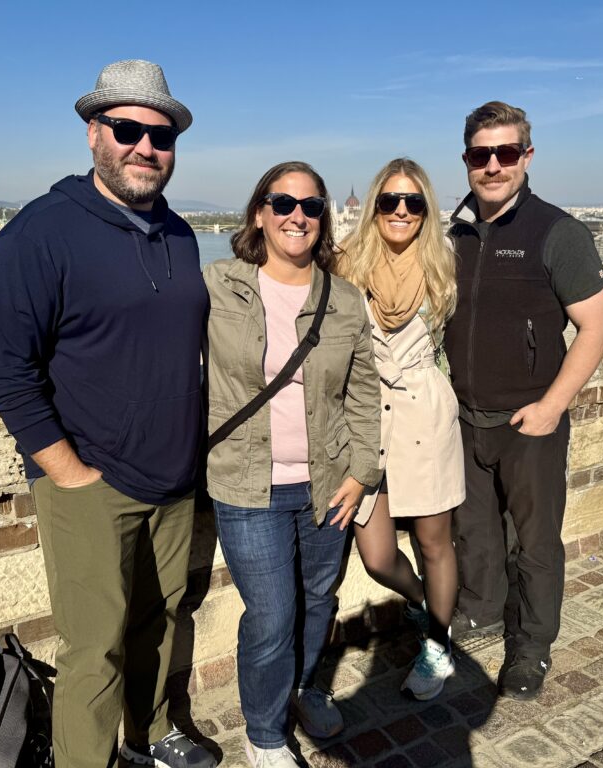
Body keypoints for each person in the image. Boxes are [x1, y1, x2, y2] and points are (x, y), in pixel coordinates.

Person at [0, 60, 217, 768]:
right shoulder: (39, 235)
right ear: (94, 134)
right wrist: (70, 473)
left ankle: (147, 738)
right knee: (93, 648)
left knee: (159, 623)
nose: (146, 146)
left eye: (161, 135)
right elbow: (4, 370)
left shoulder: (175, 232)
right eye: (128, 129)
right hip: (90, 482)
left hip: (173, 479)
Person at [203, 161, 382, 767]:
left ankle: (305, 687)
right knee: (273, 613)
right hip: (246, 484)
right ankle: (264, 733)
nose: (296, 215)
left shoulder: (345, 299)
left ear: (324, 216)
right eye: (282, 203)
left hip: (329, 484)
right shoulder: (218, 286)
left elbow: (362, 394)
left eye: (310, 205)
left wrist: (363, 474)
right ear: (261, 213)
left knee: (317, 599)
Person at [445, 101, 603, 700]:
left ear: (526, 157)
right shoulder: (457, 231)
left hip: (529, 420)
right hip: (465, 417)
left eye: (505, 153)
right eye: (480, 155)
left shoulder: (557, 232)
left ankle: (532, 646)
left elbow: (594, 329)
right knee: (477, 530)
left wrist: (550, 407)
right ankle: (483, 610)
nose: (493, 165)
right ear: (466, 160)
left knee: (536, 542)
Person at [336, 158, 464, 701]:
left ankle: (438, 643)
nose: (402, 211)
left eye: (414, 202)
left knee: (434, 542)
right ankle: (418, 603)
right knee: (379, 555)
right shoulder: (346, 264)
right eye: (390, 200)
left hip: (424, 414)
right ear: (374, 206)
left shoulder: (444, 263)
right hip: (367, 416)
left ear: (426, 210)